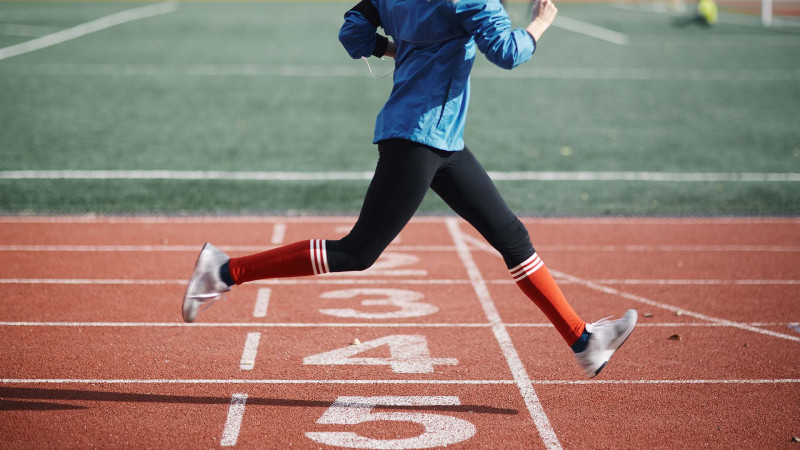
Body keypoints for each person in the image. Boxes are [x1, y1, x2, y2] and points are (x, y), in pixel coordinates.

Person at [182, 0, 637, 378]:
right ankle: (223, 273)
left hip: (439, 141)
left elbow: (353, 34)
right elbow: (507, 51)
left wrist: (393, 46)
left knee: (511, 236)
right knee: (357, 252)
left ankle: (584, 341)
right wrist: (540, 24)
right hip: (419, 140)